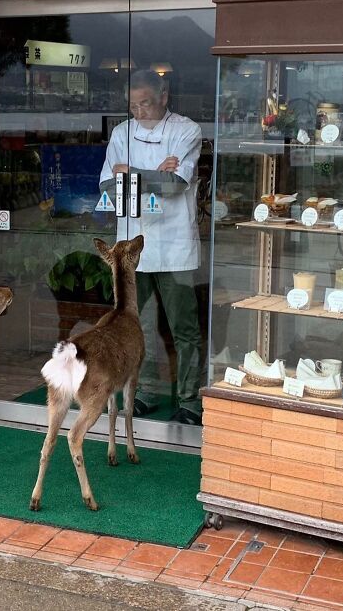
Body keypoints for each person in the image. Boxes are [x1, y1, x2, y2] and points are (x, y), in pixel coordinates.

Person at [99, 69, 203, 426]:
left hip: (174, 246)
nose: (139, 112)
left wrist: (132, 173)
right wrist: (152, 173)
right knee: (134, 327)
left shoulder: (186, 130)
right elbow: (109, 187)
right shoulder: (121, 133)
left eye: (145, 103)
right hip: (132, 247)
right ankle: (140, 392)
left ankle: (190, 399)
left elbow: (175, 184)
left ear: (164, 96)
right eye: (133, 105)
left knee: (183, 327)